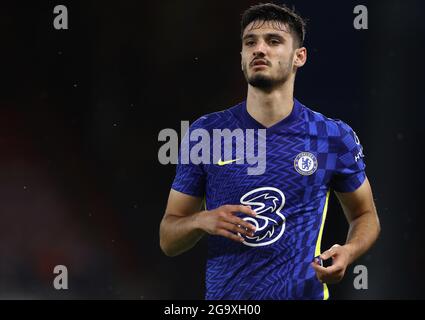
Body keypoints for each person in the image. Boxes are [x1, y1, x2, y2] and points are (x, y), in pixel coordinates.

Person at [159, 3, 380, 300]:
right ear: (241, 56)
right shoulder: (207, 134)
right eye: (250, 42)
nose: (259, 49)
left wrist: (349, 251)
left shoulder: (331, 137)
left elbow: (365, 214)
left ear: (299, 57)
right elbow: (168, 238)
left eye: (273, 41)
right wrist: (201, 221)